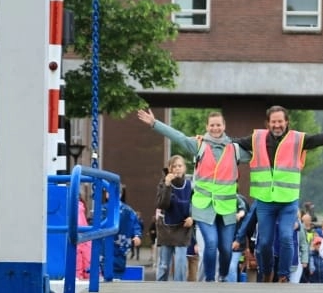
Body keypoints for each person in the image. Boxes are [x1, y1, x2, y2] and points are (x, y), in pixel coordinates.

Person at [234, 105, 323, 282]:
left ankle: (283, 275)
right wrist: (209, 141)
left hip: (288, 200)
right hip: (264, 200)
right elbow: (234, 142)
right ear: (268, 123)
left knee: (286, 236)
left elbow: (321, 139)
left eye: (280, 121)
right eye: (273, 122)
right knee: (264, 243)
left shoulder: (297, 139)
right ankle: (267, 271)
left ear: (286, 122)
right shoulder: (257, 138)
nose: (277, 125)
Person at [136, 108, 250, 282]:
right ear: (207, 126)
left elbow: (259, 154)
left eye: (218, 125)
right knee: (211, 244)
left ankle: (224, 274)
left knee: (226, 249)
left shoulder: (235, 149)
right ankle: (211, 280)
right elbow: (178, 137)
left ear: (224, 126)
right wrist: (154, 123)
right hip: (204, 205)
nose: (215, 128)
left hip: (226, 207)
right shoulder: (199, 145)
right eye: (212, 125)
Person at [155, 155, 194, 281]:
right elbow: (162, 205)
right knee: (164, 265)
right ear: (170, 169)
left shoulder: (190, 185)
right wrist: (167, 185)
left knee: (181, 263)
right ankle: (160, 288)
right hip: (166, 228)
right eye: (174, 166)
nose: (177, 168)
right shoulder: (163, 184)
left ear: (184, 168)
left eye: (180, 166)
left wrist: (193, 217)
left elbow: (197, 203)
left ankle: (179, 290)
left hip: (183, 228)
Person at [101, 184, 142, 279]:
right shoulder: (102, 209)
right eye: (108, 192)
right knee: (103, 265)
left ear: (120, 194)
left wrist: (137, 235)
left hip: (120, 245)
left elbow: (135, 223)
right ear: (106, 194)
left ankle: (116, 279)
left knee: (118, 267)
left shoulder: (127, 211)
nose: (110, 195)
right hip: (104, 245)